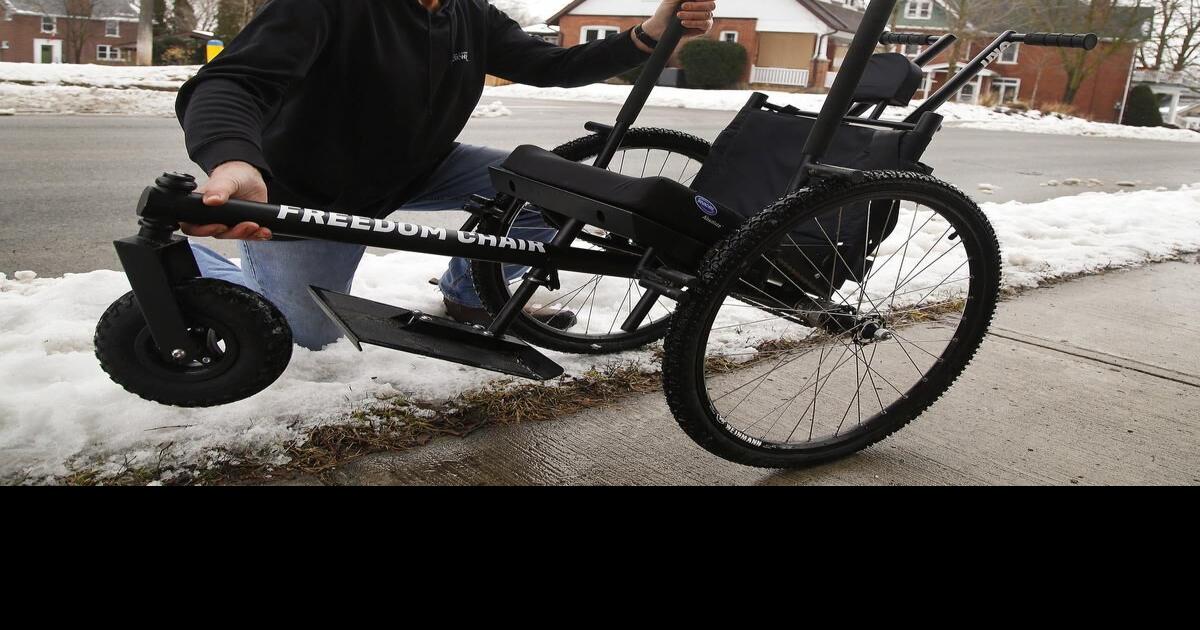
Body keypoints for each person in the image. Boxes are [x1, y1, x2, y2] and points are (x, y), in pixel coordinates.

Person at [177, 0, 717, 350]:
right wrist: (234, 159)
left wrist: (646, 34)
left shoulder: (468, 11)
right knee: (306, 335)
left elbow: (551, 66)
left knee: (556, 194)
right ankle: (186, 260)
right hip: (309, 189)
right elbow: (231, 83)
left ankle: (467, 292)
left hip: (422, 166)